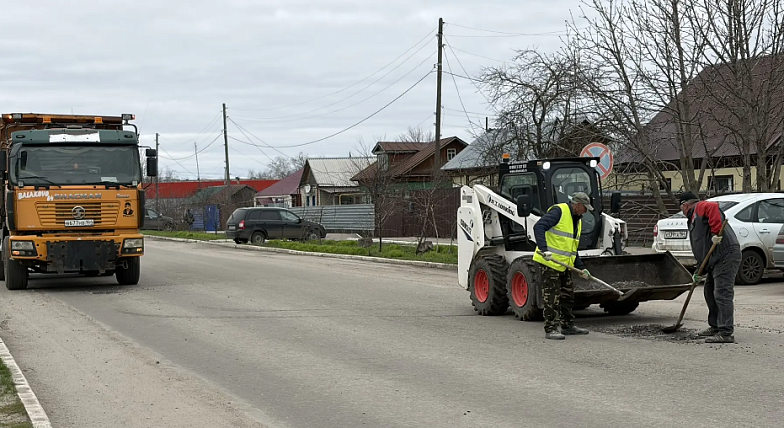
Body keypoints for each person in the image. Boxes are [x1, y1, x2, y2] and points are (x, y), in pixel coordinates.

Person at [678, 191, 741, 344]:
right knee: (709, 290)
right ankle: (716, 326)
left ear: (685, 205)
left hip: (725, 255)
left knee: (722, 292)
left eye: (681, 208)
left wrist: (715, 231)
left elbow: (713, 207)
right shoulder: (693, 218)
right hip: (714, 259)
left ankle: (726, 332)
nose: (682, 211)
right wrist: (699, 269)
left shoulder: (699, 207)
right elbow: (703, 247)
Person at [532, 192, 593, 340]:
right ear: (577, 205)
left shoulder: (577, 220)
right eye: (585, 208)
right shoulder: (559, 212)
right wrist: (544, 249)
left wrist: (581, 267)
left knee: (567, 295)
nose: (586, 211)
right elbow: (538, 227)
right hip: (549, 262)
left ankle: (567, 325)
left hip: (564, 265)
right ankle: (551, 328)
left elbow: (572, 248)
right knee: (551, 297)